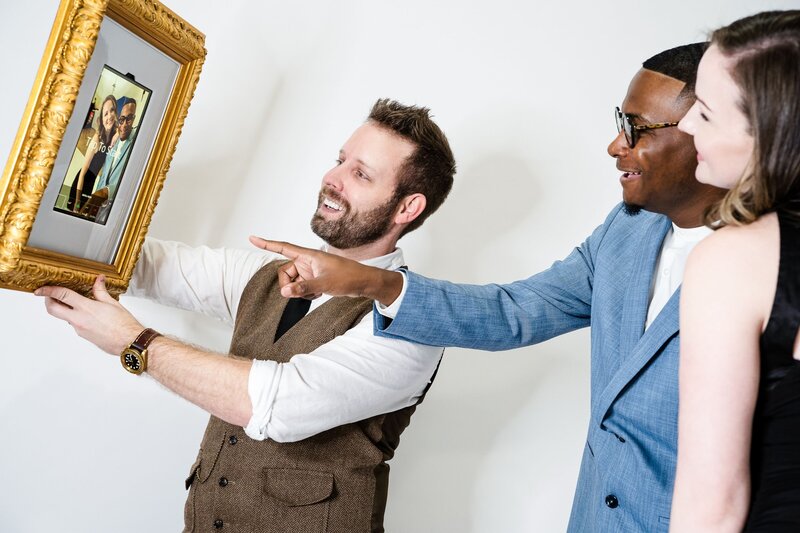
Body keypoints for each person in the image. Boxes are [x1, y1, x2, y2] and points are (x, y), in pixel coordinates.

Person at [253, 44, 726, 532]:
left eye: (636, 127)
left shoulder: (772, 260)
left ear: (709, 129)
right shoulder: (625, 231)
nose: (614, 145)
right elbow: (517, 310)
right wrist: (375, 282)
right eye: (618, 121)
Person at [34, 98, 456, 532]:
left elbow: (280, 405)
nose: (332, 179)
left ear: (407, 208)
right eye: (340, 161)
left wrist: (135, 342)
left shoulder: (413, 323)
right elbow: (145, 264)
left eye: (360, 174)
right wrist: (61, 188)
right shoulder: (265, 275)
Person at [668, 11, 800, 532]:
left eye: (704, 112)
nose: (684, 125)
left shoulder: (734, 260)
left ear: (772, 133)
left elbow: (712, 507)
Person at [92, 96, 138, 223]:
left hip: (116, 212)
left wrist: (107, 191)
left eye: (129, 119)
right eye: (121, 119)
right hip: (97, 208)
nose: (124, 125)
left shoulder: (138, 140)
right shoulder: (113, 141)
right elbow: (104, 175)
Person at [68, 94, 117, 211]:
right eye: (105, 113)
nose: (109, 116)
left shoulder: (114, 137)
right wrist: (77, 203)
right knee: (76, 211)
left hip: (92, 182)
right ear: (101, 119)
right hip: (81, 183)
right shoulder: (97, 138)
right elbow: (82, 174)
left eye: (112, 111)